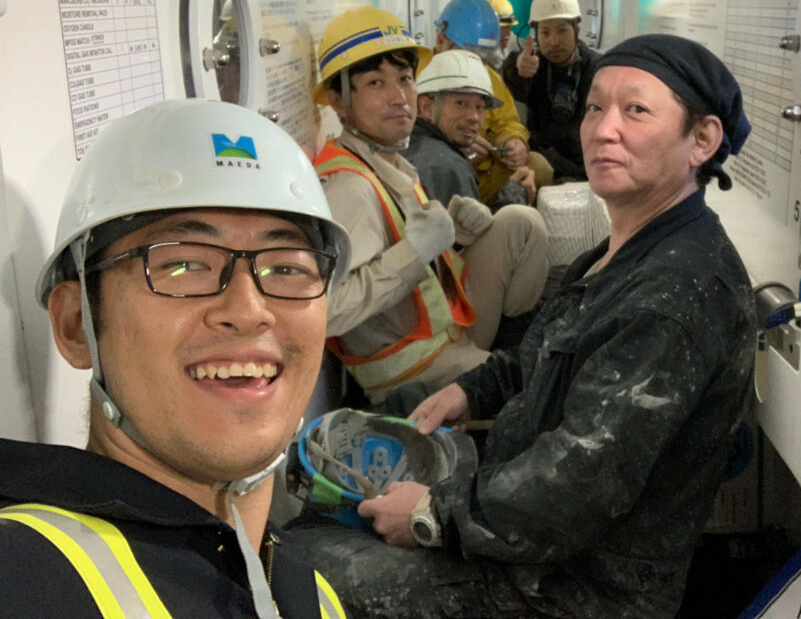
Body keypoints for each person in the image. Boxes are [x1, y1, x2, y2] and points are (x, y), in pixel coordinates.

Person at [290, 33, 758, 619]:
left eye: (636, 110)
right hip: (529, 526)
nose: (602, 129)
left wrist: (431, 513)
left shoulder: (674, 296)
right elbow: (549, 351)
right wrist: (473, 390)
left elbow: (576, 487)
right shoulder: (626, 249)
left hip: (572, 587)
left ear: (702, 140)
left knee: (304, 561)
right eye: (594, 107)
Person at [0, 99, 350, 618]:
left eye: (286, 269)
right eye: (184, 265)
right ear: (76, 324)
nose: (249, 310)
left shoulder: (310, 592)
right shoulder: (24, 576)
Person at [312, 7, 548, 405]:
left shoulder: (386, 158)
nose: (398, 97)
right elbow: (327, 312)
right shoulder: (350, 187)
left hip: (443, 328)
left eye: (405, 79)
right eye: (375, 83)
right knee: (538, 392)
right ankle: (500, 362)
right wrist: (416, 251)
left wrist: (452, 236)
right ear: (339, 100)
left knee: (519, 223)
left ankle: (511, 343)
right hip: (411, 370)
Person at [431, 0, 553, 202]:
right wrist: (455, 148)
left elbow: (508, 121)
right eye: (468, 54)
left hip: (485, 174)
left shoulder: (489, 78)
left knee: (538, 166)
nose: (475, 64)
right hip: (442, 177)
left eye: (482, 56)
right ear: (441, 40)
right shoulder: (420, 78)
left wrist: (513, 143)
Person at [501, 0, 601, 181]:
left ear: (577, 30)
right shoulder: (530, 67)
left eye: (562, 31)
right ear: (536, 35)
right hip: (545, 166)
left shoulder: (598, 69)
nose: (554, 42)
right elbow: (512, 73)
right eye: (545, 33)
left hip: (589, 168)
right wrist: (520, 69)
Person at [403, 48, 500, 206]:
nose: (474, 117)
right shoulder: (449, 168)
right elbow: (470, 230)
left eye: (480, 107)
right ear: (427, 107)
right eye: (461, 103)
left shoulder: (401, 145)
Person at [484, 0, 525, 70]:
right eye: (498, 28)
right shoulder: (476, 52)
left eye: (507, 27)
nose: (505, 34)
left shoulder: (522, 47)